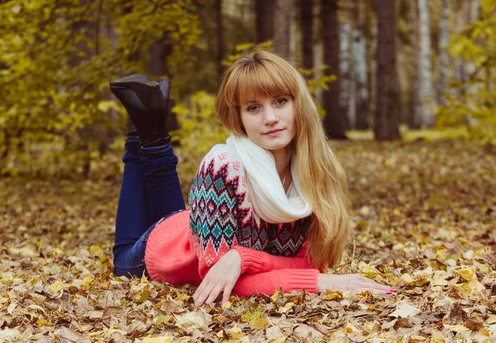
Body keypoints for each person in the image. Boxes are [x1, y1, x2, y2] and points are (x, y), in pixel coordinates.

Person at [109, 51, 394, 307]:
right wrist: (318, 283)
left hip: (196, 226)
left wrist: (241, 257)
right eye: (253, 108)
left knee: (175, 214)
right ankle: (141, 131)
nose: (270, 117)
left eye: (280, 101)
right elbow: (223, 282)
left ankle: (149, 124)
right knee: (122, 259)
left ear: (298, 105)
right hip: (162, 250)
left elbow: (307, 264)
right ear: (239, 119)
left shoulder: (317, 167)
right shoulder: (221, 168)